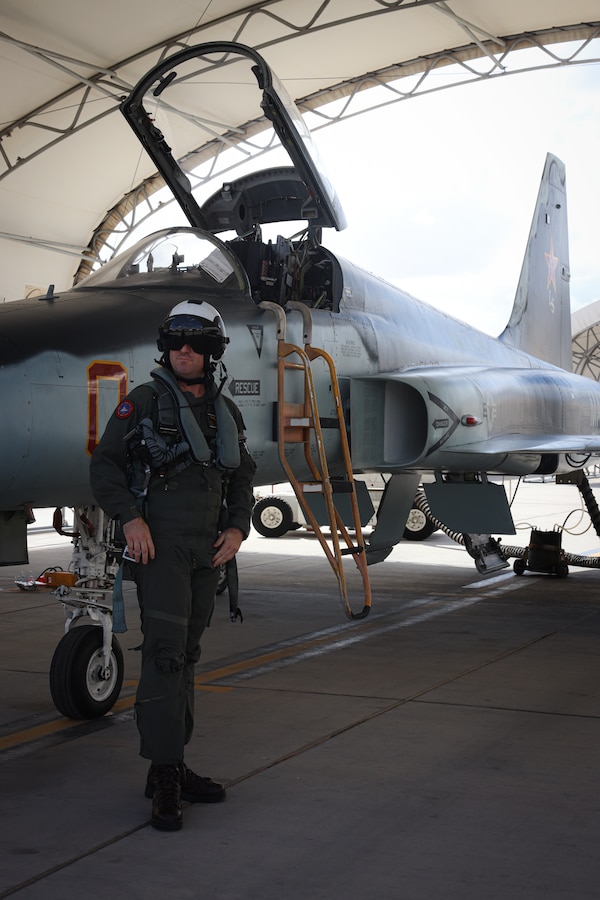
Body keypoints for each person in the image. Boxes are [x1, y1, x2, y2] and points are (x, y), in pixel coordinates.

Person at [89, 299, 256, 831]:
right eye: (178, 341)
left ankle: (174, 764)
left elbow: (241, 477)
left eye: (198, 342)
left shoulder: (224, 413)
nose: (186, 350)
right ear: (166, 346)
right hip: (158, 548)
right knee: (163, 654)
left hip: (208, 551)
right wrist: (131, 520)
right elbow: (106, 466)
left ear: (212, 351)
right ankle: (163, 772)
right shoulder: (140, 403)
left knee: (185, 655)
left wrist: (237, 527)